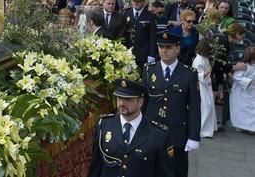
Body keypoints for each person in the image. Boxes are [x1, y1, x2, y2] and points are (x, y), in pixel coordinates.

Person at [87, 78, 175, 177]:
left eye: (128, 99)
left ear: (140, 102)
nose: (122, 103)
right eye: (119, 98)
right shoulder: (104, 125)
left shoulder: (158, 134)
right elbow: (95, 168)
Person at [143, 30, 201, 177]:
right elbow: (143, 103)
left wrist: (194, 136)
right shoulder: (149, 70)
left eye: (168, 47)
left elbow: (194, 108)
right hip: (152, 132)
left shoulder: (189, 74)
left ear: (177, 48)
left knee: (177, 171)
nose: (164, 50)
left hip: (177, 134)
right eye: (161, 47)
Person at [123, 0, 157, 68]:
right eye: (134, 1)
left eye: (139, 1)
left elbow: (152, 37)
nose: (136, 3)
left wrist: (151, 55)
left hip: (143, 54)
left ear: (144, 2)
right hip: (127, 53)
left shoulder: (150, 16)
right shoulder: (126, 13)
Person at [192, 39, 217, 138]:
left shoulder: (204, 58)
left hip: (206, 85)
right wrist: (207, 72)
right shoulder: (199, 60)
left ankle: (208, 128)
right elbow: (196, 75)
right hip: (201, 87)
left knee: (209, 107)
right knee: (206, 107)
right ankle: (203, 130)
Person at [229, 46, 255, 133]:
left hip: (251, 91)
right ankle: (240, 125)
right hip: (241, 91)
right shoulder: (243, 66)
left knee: (251, 109)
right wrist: (250, 82)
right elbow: (237, 77)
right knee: (241, 108)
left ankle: (251, 127)